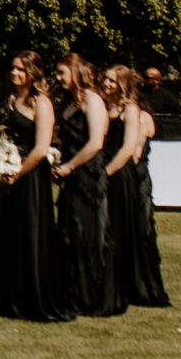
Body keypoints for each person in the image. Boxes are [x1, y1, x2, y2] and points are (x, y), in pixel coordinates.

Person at [0, 50, 70, 322]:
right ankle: (9, 297)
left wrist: (17, 173)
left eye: (21, 69)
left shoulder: (41, 103)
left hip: (32, 174)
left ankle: (33, 297)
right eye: (13, 68)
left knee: (31, 232)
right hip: (9, 173)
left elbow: (41, 147)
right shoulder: (10, 100)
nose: (14, 73)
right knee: (9, 232)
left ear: (33, 74)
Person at [53, 52, 122, 317]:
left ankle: (92, 296)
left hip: (88, 175)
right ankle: (74, 293)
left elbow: (95, 143)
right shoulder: (69, 102)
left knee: (90, 234)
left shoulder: (93, 101)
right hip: (70, 175)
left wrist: (70, 166)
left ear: (76, 72)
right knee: (71, 234)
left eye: (62, 73)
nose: (58, 78)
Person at [102, 68, 170, 309]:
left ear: (122, 84)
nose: (106, 83)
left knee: (127, 227)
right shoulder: (105, 107)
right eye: (105, 79)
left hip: (123, 173)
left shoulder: (132, 111)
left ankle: (131, 283)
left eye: (112, 80)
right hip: (105, 167)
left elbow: (132, 150)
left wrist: (106, 173)